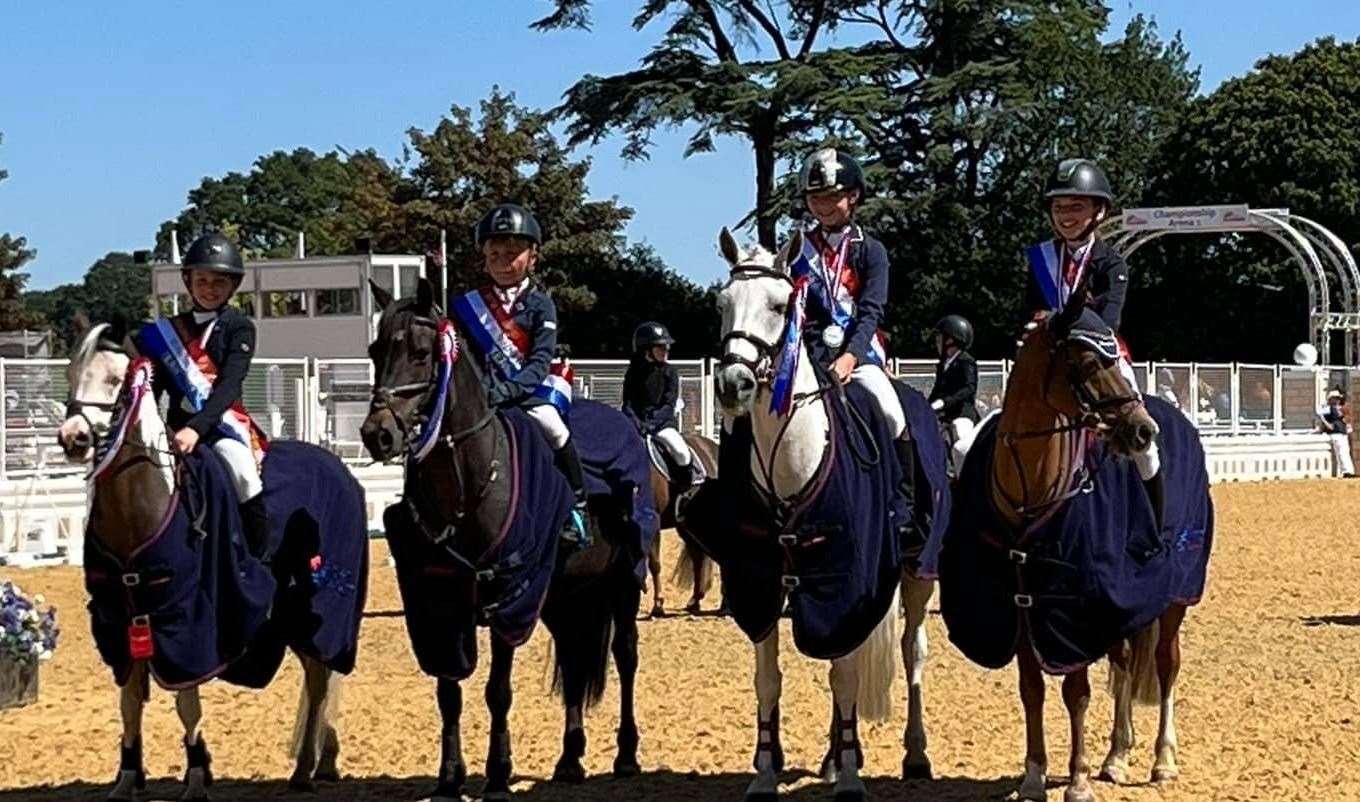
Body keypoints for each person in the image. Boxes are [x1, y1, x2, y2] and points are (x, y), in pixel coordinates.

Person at [1023, 158, 1162, 523]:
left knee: (1143, 444)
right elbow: (1028, 313)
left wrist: (1054, 321)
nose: (1065, 215)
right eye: (1058, 207)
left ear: (1099, 211)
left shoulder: (1111, 263)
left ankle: (1154, 518)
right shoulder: (1041, 258)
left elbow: (1107, 323)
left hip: (1099, 357)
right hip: (1047, 358)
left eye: (1076, 207)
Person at [448, 203, 588, 542]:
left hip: (527, 391)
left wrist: (503, 393)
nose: (503, 263)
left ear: (532, 257)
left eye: (512, 254)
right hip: (481, 396)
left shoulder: (541, 305)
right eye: (494, 254)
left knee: (551, 427)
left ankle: (577, 504)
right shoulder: (467, 305)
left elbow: (539, 363)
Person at [133, 233, 271, 556]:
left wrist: (197, 427)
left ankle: (258, 560)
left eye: (219, 282)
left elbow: (229, 386)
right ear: (189, 281)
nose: (210, 289)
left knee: (244, 476)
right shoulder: (165, 333)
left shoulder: (239, 327)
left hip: (219, 427)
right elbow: (154, 385)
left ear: (232, 286)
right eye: (202, 280)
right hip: (174, 431)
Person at [792, 147, 915, 501]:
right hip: (809, 357)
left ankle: (903, 502)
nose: (823, 205)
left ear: (854, 196)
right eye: (815, 198)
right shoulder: (800, 251)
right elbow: (797, 310)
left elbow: (871, 312)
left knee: (891, 412)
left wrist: (851, 357)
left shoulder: (870, 251)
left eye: (832, 196)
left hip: (858, 355)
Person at [622, 321, 694, 488]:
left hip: (662, 424)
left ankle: (685, 490)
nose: (666, 350)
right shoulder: (633, 373)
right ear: (646, 350)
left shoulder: (670, 372)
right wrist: (637, 423)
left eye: (667, 347)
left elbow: (669, 405)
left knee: (681, 452)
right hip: (636, 424)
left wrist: (652, 424)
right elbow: (627, 403)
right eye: (661, 347)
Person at [928, 315, 981, 475]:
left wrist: (944, 402)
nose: (937, 343)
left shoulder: (966, 361)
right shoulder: (942, 365)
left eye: (940, 338)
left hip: (963, 413)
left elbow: (969, 388)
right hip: (944, 415)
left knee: (960, 436)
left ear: (950, 340)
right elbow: (937, 390)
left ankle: (967, 476)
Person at [1318, 388, 1356, 478]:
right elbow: (1320, 413)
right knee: (1342, 452)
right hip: (1336, 433)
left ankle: (1349, 470)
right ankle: (1346, 471)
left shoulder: (1340, 409)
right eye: (1335, 398)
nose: (1337, 400)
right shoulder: (1329, 409)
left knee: (1345, 452)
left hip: (1342, 432)